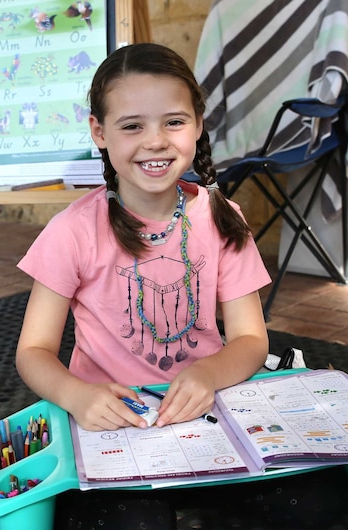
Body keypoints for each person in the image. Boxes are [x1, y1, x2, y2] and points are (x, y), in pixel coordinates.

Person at [16, 43, 270, 433]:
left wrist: (207, 375)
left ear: (198, 124)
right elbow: (33, 352)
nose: (155, 141)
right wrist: (77, 395)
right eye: (133, 125)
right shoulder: (73, 230)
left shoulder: (223, 218)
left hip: (205, 411)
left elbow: (251, 339)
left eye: (174, 122)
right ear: (99, 131)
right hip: (108, 421)